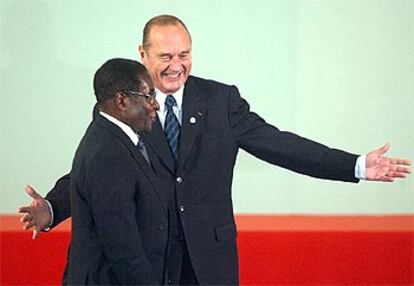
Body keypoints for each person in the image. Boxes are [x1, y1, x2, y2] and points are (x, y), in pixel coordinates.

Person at [19, 15, 411, 285]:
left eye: (184, 54)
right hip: (149, 262)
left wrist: (356, 165)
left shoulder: (221, 101)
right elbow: (98, 173)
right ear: (143, 54)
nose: (177, 66)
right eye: (166, 57)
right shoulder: (125, 105)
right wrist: (53, 207)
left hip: (209, 259)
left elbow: (281, 145)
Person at [65, 58, 163, 284]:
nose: (155, 105)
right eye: (149, 96)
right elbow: (122, 246)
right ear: (122, 100)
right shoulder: (108, 154)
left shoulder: (113, 139)